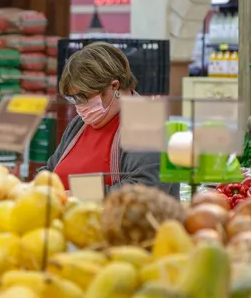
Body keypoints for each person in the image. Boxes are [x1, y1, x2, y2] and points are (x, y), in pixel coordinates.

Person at [45, 42, 179, 199]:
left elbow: (145, 190)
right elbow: (50, 170)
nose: (79, 106)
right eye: (73, 98)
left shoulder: (148, 125)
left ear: (114, 86)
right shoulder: (79, 125)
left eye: (84, 97)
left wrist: (76, 196)